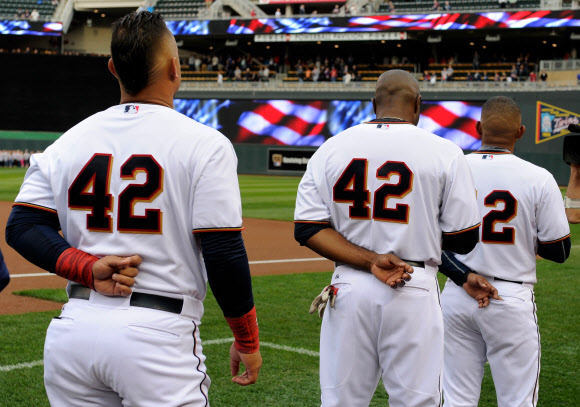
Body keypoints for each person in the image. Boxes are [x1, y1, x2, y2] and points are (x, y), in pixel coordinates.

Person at [5, 11, 261, 406]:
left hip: (74, 330)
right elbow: (223, 250)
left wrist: (87, 267)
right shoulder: (205, 143)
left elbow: (22, 225)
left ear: (113, 69)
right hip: (158, 335)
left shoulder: (69, 140)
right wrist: (246, 338)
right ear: (176, 69)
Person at [294, 70, 498, 407]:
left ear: (374, 104)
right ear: (419, 105)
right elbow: (463, 241)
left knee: (340, 401)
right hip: (413, 286)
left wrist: (371, 259)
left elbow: (307, 229)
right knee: (415, 401)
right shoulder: (444, 151)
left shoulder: (331, 147)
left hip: (347, 287)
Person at [440, 96, 571, 407]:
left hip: (457, 294)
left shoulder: (451, 170)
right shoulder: (539, 177)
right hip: (509, 296)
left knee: (456, 399)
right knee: (517, 401)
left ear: (477, 128)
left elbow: (431, 240)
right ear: (521, 132)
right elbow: (559, 251)